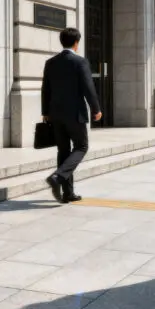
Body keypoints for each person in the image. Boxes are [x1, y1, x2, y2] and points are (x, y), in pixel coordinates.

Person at [41, 27, 102, 203]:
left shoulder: (51, 62)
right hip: (75, 114)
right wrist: (96, 109)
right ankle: (58, 176)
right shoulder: (80, 62)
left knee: (63, 151)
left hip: (55, 114)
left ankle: (68, 193)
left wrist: (45, 112)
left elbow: (46, 89)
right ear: (76, 43)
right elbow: (88, 88)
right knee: (81, 146)